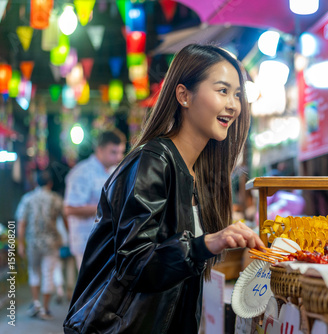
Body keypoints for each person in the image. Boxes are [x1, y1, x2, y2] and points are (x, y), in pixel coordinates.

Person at [63, 44, 264, 334]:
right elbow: (135, 262)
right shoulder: (153, 160)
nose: (234, 105)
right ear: (183, 95)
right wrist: (206, 243)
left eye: (237, 94)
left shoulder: (201, 173)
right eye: (222, 91)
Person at [64, 129, 126, 270]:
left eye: (121, 152)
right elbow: (69, 209)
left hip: (110, 241)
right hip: (87, 242)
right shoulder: (82, 172)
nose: (118, 157)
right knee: (91, 291)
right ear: (100, 149)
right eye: (113, 152)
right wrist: (110, 207)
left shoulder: (115, 171)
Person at [16, 170, 67, 320]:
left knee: (34, 273)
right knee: (48, 274)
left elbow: (21, 223)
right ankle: (45, 309)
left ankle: (36, 304)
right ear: (50, 183)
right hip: (51, 242)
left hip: (32, 242)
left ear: (36, 182)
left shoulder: (27, 199)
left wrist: (20, 243)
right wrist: (69, 234)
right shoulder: (56, 199)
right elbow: (65, 219)